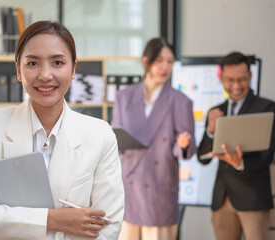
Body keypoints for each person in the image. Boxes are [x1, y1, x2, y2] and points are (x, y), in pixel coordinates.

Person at [0, 20, 124, 240]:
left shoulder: (100, 134)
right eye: (33, 63)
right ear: (19, 71)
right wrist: (54, 219)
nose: (45, 75)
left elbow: (107, 227)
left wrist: (9, 221)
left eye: (58, 63)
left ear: (73, 69)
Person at [111, 38, 197, 240]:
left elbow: (187, 148)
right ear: (145, 62)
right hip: (129, 185)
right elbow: (116, 142)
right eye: (160, 60)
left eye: (169, 61)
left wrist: (182, 144)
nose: (165, 67)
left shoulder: (180, 101)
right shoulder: (124, 97)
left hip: (160, 185)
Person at [197, 52, 275, 240]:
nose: (236, 86)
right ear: (221, 78)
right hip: (223, 199)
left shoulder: (267, 108)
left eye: (242, 79)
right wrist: (210, 131)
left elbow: (268, 155)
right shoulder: (216, 111)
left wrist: (240, 163)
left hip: (253, 198)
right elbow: (202, 157)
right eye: (230, 80)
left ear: (250, 76)